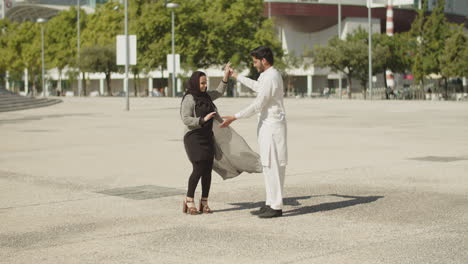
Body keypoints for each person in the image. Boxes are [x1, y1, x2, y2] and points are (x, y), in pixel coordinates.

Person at [220, 46, 288, 218]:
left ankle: (277, 206)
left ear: (264, 60)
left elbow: (259, 104)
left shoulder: (272, 76)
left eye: (256, 61)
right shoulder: (267, 75)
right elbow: (257, 86)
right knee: (267, 165)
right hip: (267, 126)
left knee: (273, 165)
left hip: (272, 127)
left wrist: (235, 117)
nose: (254, 64)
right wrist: (236, 76)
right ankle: (270, 202)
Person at [180, 63, 231, 215]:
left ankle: (204, 202)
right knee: (199, 168)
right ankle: (189, 200)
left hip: (207, 136)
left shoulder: (207, 96)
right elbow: (185, 119)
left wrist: (226, 75)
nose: (204, 85)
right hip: (193, 137)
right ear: (196, 83)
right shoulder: (189, 98)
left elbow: (220, 91)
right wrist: (202, 120)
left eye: (205, 83)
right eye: (202, 83)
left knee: (207, 170)